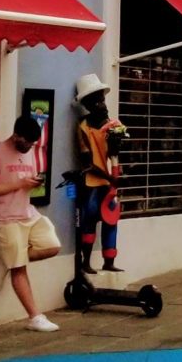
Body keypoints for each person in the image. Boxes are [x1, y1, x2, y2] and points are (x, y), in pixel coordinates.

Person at [0, 117, 60, 332]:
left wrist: (32, 183)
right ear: (16, 136)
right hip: (5, 217)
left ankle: (10, 258)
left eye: (33, 144)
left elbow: (25, 181)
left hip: (27, 213)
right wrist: (20, 184)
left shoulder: (29, 152)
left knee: (52, 245)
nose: (30, 147)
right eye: (27, 143)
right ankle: (35, 317)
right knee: (19, 268)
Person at [73, 73, 126, 273]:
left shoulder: (112, 126)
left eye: (102, 100)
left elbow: (114, 154)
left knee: (111, 220)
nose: (102, 105)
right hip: (92, 181)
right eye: (96, 102)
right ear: (87, 105)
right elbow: (87, 161)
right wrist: (110, 177)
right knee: (90, 218)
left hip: (109, 182)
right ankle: (86, 261)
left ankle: (109, 261)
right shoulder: (83, 128)